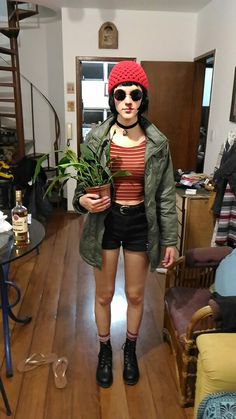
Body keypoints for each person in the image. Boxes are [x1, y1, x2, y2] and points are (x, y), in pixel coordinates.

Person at [73, 60, 177, 388]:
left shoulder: (158, 143)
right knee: (103, 296)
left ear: (143, 98)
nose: (128, 100)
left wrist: (171, 240)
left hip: (140, 225)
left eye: (135, 93)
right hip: (106, 223)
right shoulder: (96, 139)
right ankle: (105, 350)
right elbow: (80, 188)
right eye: (121, 94)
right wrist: (82, 201)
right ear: (112, 98)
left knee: (135, 295)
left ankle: (129, 349)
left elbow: (165, 195)